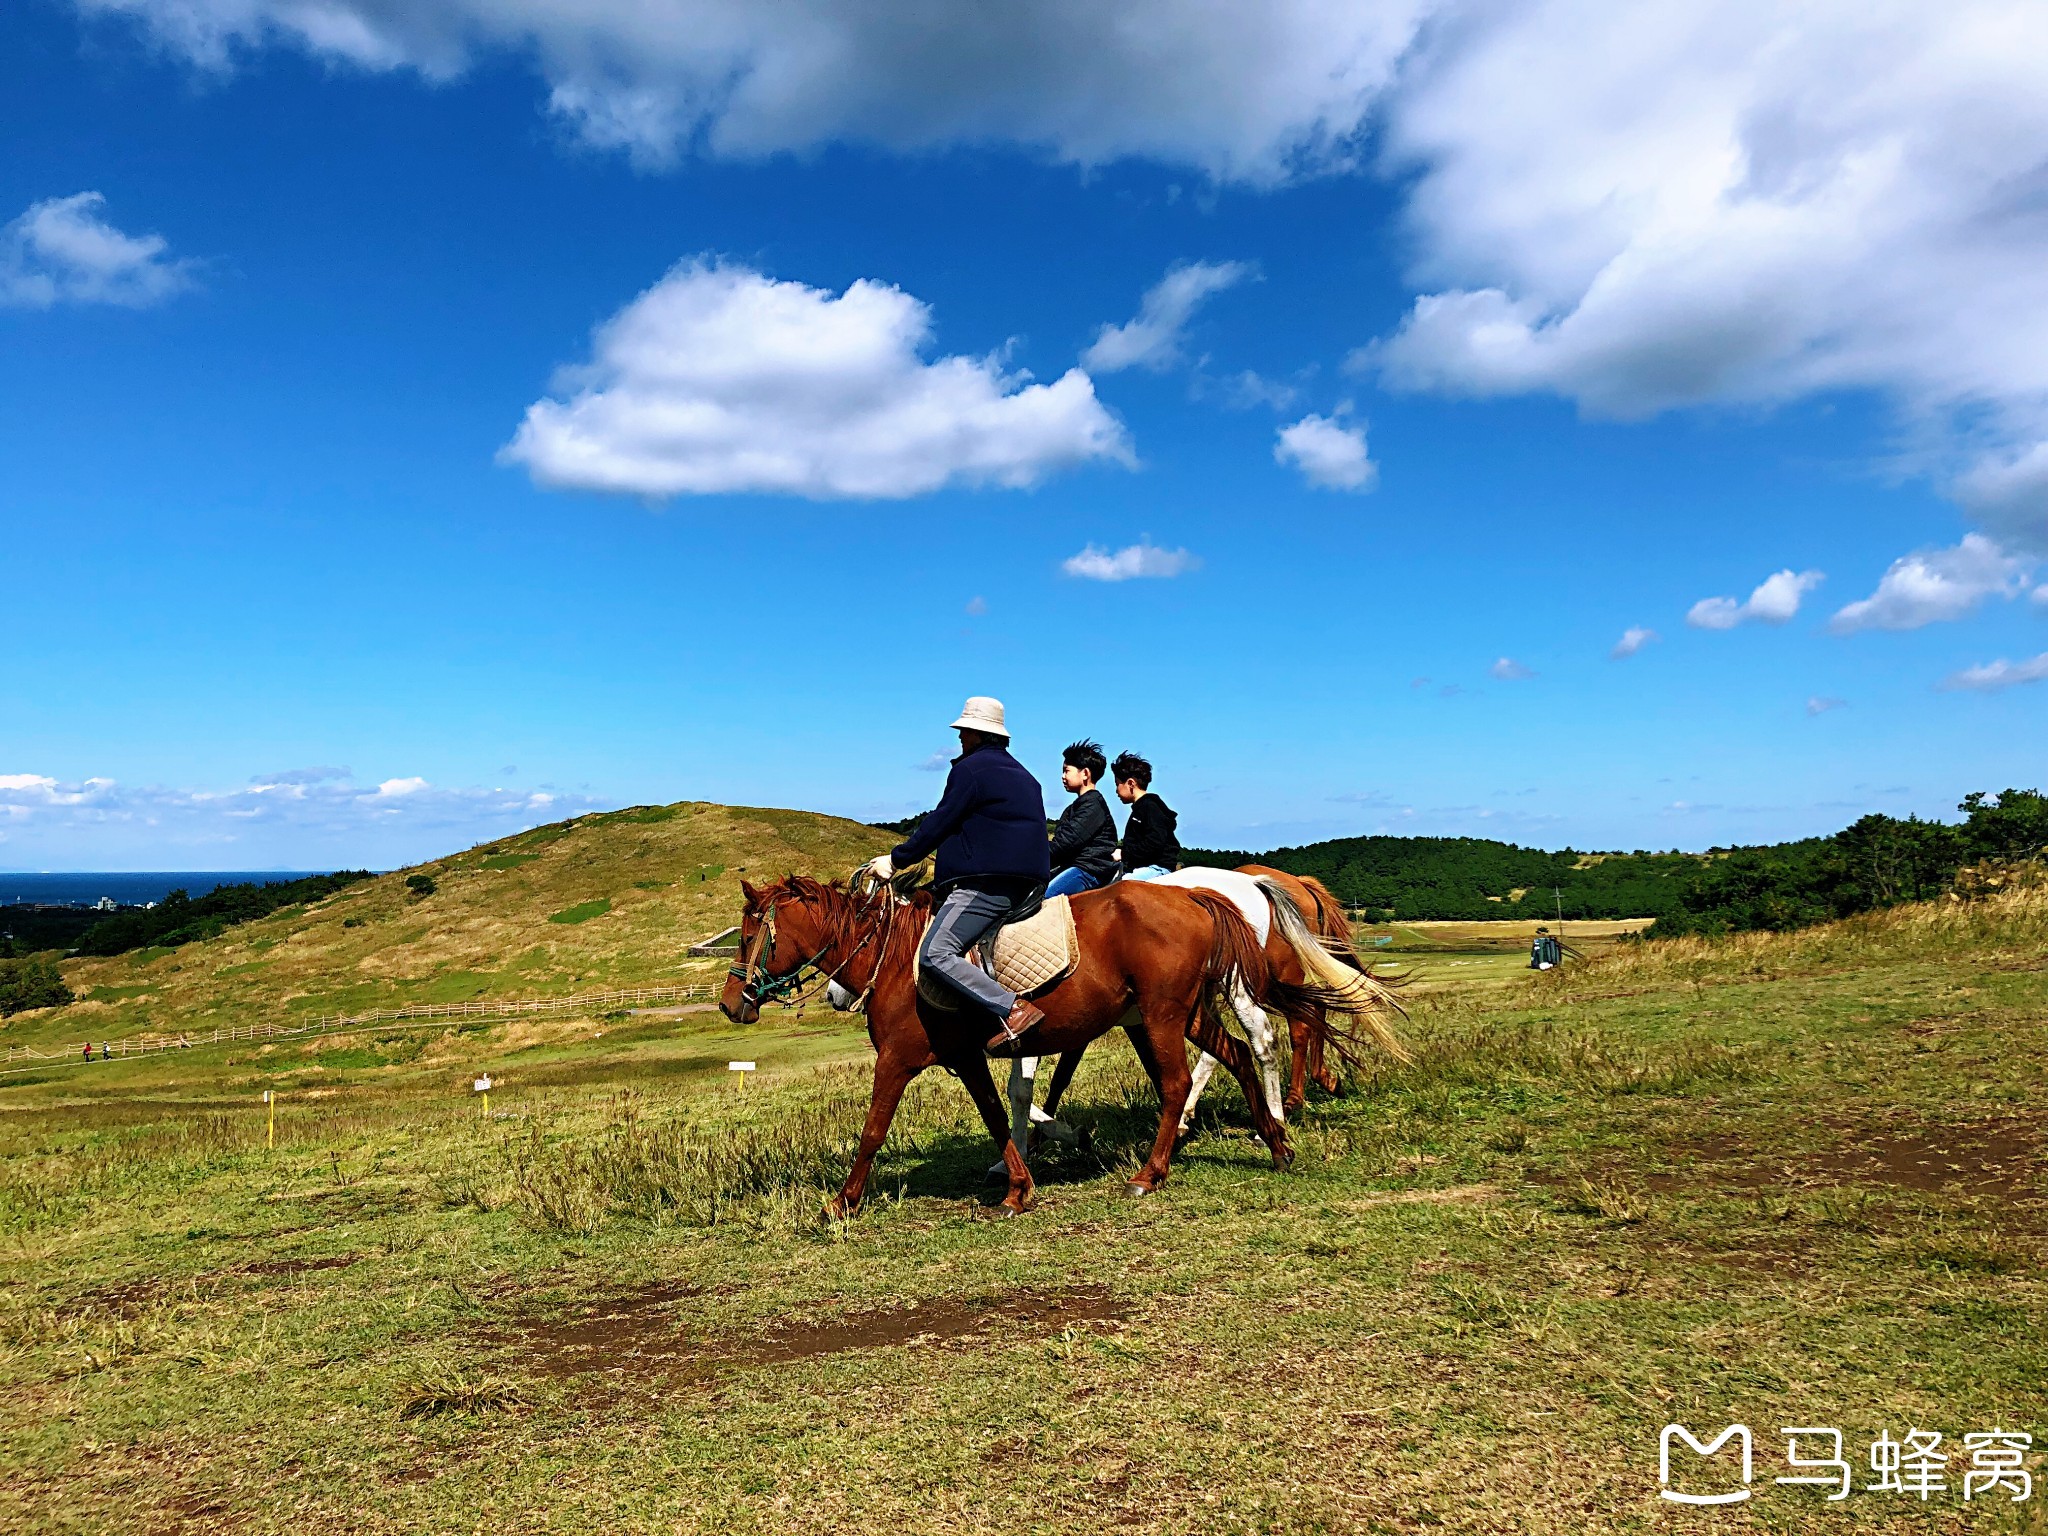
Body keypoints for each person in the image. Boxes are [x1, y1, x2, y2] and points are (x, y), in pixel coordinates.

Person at [865, 697, 1052, 1051]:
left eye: (964, 731)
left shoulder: (970, 770)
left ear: (979, 734)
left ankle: (1012, 1009)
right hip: (1028, 882)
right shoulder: (1025, 775)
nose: (960, 739)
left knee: (935, 952)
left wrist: (896, 860)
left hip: (988, 884)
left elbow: (940, 822)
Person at [1045, 740, 1118, 900]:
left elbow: (1065, 843)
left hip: (1090, 869)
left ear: (1085, 773)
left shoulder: (1092, 805)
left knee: (1046, 898)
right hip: (1076, 865)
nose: (1063, 776)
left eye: (1066, 771)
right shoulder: (1077, 806)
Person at [1112, 751, 1180, 880]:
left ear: (1131, 783)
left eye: (1117, 784)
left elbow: (1154, 842)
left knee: (1123, 885)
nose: (1116, 790)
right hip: (1146, 867)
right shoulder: (1142, 808)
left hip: (1157, 868)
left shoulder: (1149, 807)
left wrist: (1123, 853)